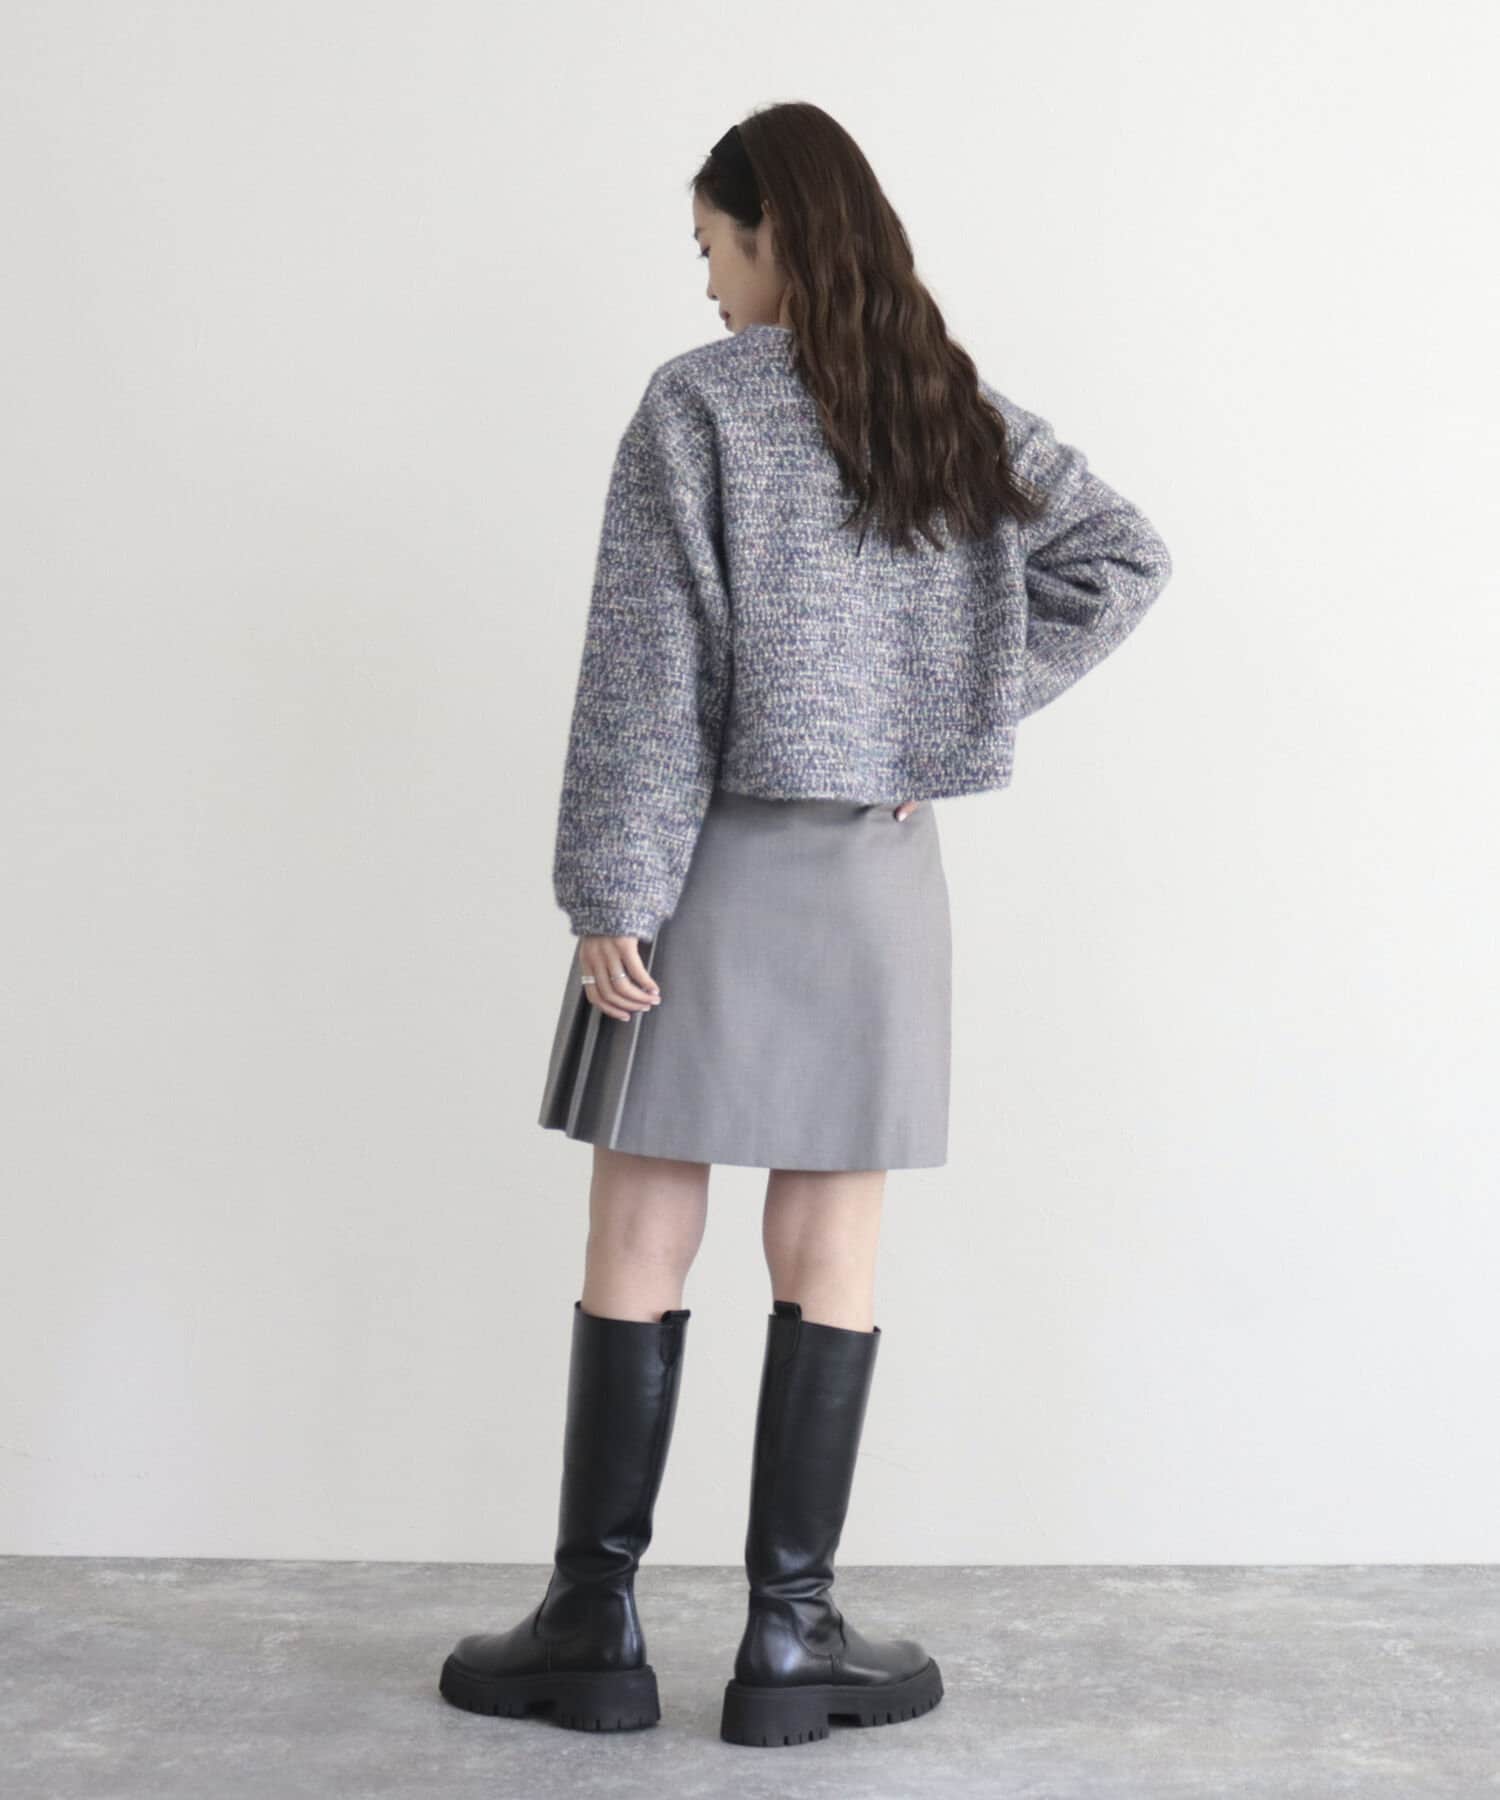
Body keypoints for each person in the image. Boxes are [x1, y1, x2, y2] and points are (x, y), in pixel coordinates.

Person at [439, 102, 1173, 1749]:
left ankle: (591, 1625)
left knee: (642, 1223)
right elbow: (1122, 558)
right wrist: (938, 718)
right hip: (871, 890)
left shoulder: (697, 405)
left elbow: (649, 669)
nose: (707, 283)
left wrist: (612, 891)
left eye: (713, 246)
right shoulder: (944, 404)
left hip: (703, 871)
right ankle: (791, 1639)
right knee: (831, 1240)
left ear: (771, 235)